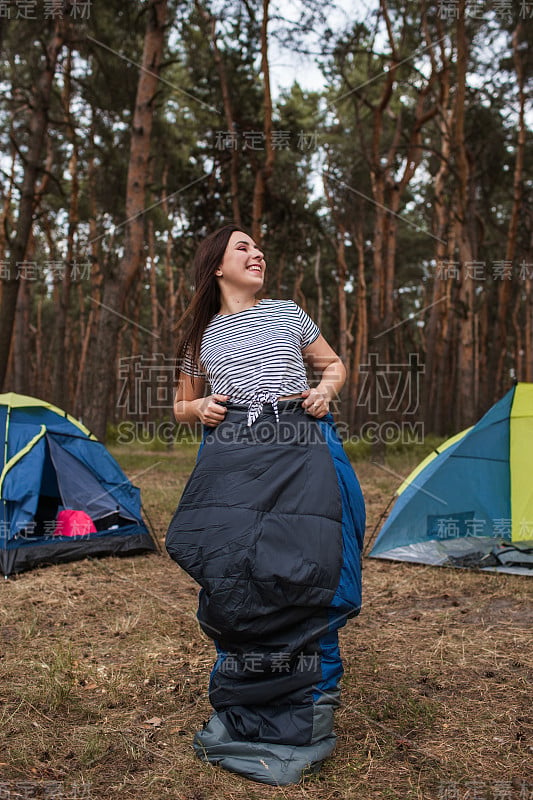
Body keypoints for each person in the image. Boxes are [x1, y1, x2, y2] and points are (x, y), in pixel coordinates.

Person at [166, 223, 365, 786]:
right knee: (238, 569)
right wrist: (199, 404)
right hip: (235, 454)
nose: (257, 253)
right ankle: (245, 693)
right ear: (216, 267)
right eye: (242, 247)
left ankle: (309, 700)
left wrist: (324, 391)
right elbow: (181, 406)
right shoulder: (198, 338)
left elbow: (333, 365)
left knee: (311, 561)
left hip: (301, 444)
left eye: (258, 246)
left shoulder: (287, 312)